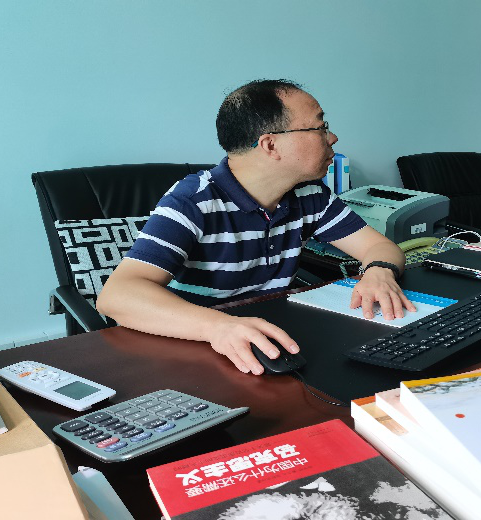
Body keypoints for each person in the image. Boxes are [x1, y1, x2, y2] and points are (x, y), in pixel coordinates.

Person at [96, 79, 415, 375]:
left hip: (273, 338)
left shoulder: (310, 195)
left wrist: (379, 272)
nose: (332, 138)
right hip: (197, 346)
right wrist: (217, 326)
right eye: (320, 127)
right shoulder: (194, 200)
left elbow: (379, 247)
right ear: (270, 145)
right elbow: (117, 295)